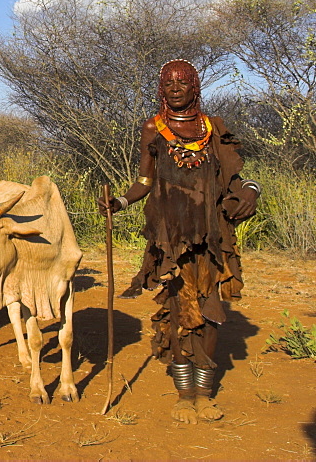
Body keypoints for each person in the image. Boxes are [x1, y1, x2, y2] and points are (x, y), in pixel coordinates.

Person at [98, 59, 259, 424]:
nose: (175, 88)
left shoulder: (211, 128)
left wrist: (253, 191)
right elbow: (145, 181)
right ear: (161, 88)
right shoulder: (152, 128)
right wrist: (120, 202)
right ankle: (185, 395)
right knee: (176, 313)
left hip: (211, 239)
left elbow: (237, 179)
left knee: (210, 313)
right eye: (168, 82)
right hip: (170, 238)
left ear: (194, 86)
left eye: (182, 82)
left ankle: (205, 393)